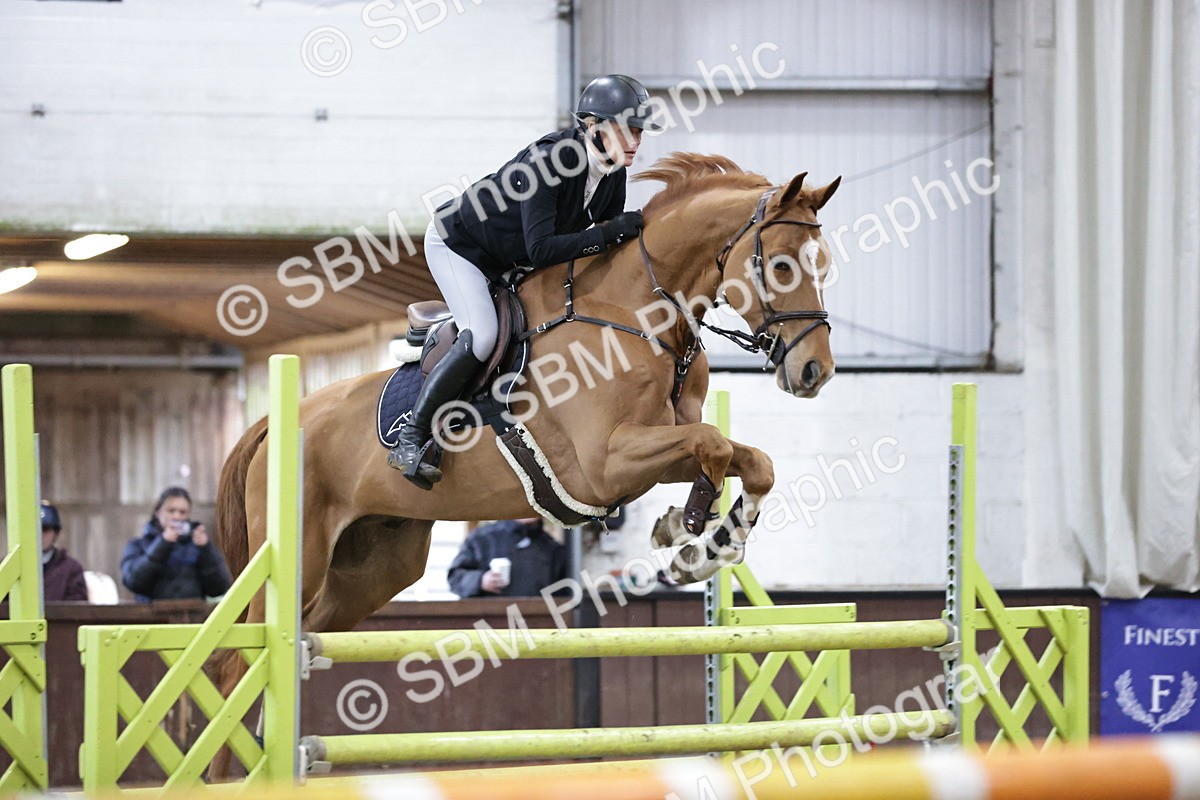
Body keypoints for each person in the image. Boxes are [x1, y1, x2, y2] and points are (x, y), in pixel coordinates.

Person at [388, 74, 661, 486]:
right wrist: (611, 232)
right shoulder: (551, 163)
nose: (635, 141)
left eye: (638, 131)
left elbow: (602, 252)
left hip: (509, 257)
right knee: (482, 335)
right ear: (592, 127)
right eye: (626, 129)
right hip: (459, 247)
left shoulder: (612, 173)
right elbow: (543, 250)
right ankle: (410, 437)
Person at [121, 486, 232, 603]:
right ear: (158, 512)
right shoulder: (138, 545)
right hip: (151, 618)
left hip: (192, 617)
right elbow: (132, 581)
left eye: (182, 512)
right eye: (171, 511)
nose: (177, 516)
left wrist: (206, 549)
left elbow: (219, 588)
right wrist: (162, 544)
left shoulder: (198, 546)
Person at [447, 517, 568, 598]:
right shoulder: (481, 539)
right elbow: (455, 578)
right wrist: (480, 581)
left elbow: (562, 597)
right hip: (486, 625)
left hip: (533, 627)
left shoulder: (553, 549)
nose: (528, 507)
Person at [40, 500, 88, 602]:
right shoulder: (11, 566)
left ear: (56, 533)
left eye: (46, 529)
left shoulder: (71, 568)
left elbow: (78, 606)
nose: (40, 535)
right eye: (35, 530)